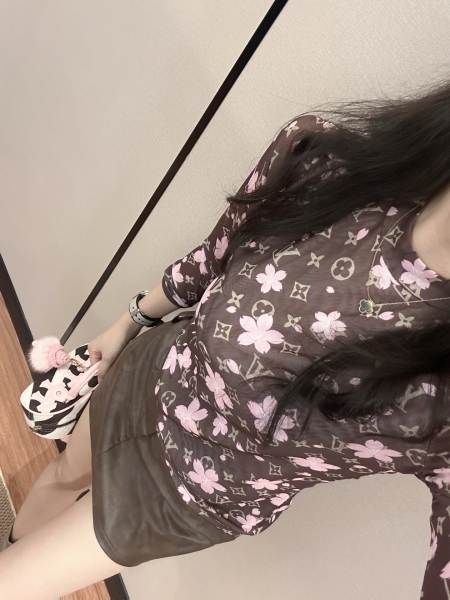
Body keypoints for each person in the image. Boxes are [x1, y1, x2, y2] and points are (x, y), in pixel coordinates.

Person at [2, 79, 450, 599]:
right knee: (63, 473)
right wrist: (127, 322)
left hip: (188, 491)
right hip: (154, 371)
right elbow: (213, 256)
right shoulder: (323, 160)